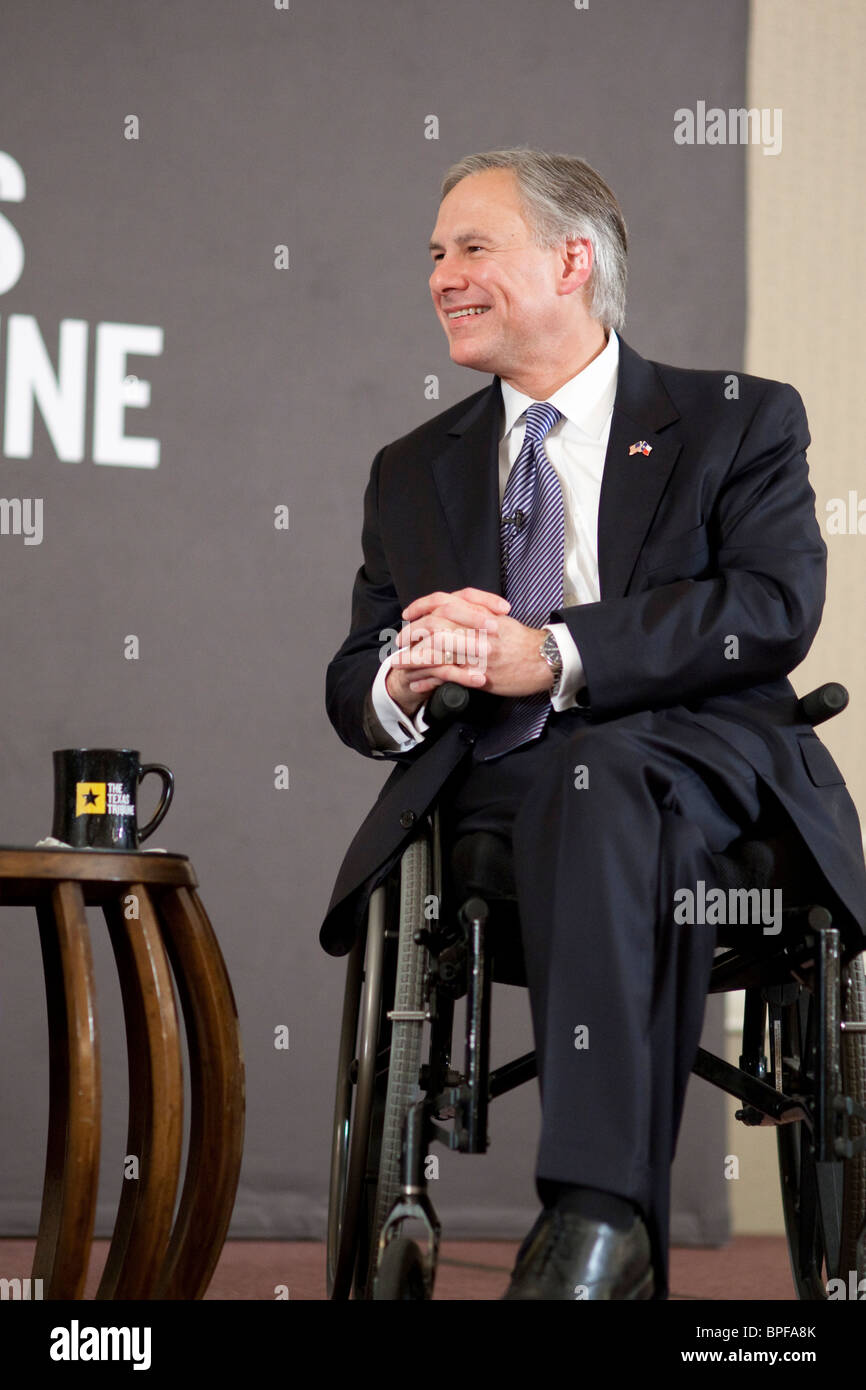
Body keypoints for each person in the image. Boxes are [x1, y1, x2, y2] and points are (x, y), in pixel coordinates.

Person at [321, 147, 866, 1299]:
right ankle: (601, 1231)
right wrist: (408, 674)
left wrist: (553, 651)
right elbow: (352, 677)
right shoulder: (413, 469)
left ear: (573, 261)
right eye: (433, 254)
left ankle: (592, 1214)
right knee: (579, 785)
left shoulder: (734, 421)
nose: (441, 275)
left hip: (700, 776)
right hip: (500, 795)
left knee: (602, 774)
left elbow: (773, 609)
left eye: (473, 247)